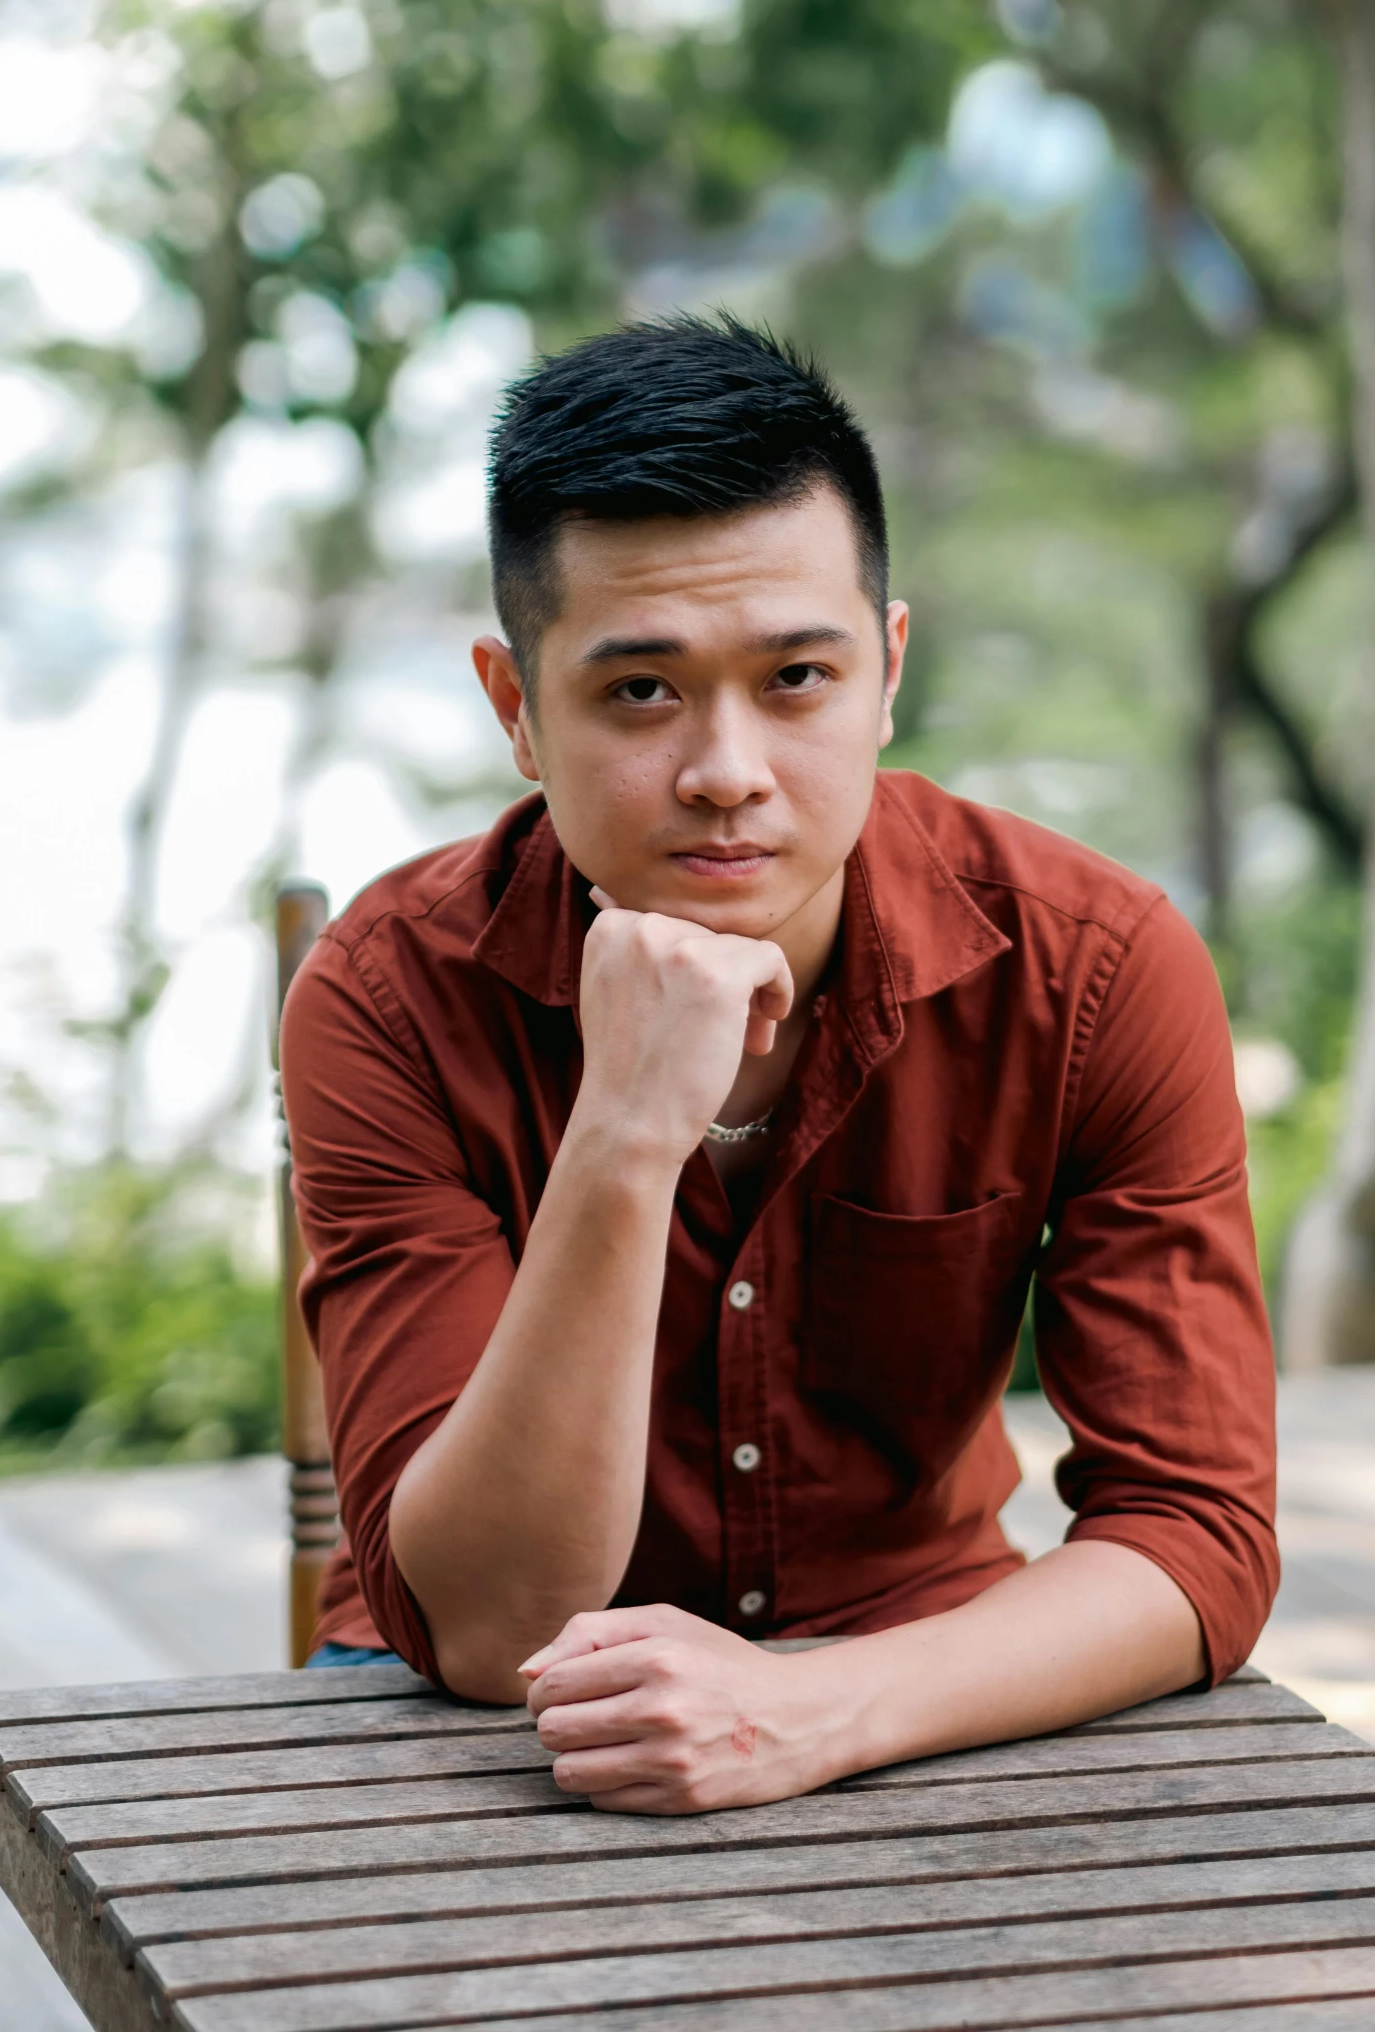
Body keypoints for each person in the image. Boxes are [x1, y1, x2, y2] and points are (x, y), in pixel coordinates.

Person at [280, 313, 1277, 1816]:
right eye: (639, 690)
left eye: (795, 677)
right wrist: (623, 1128)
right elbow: (491, 1629)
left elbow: (1196, 1530)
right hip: (476, 1727)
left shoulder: (1094, 965)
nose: (725, 769)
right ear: (513, 709)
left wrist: (810, 1709)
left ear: (885, 669)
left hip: (928, 1673)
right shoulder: (389, 992)